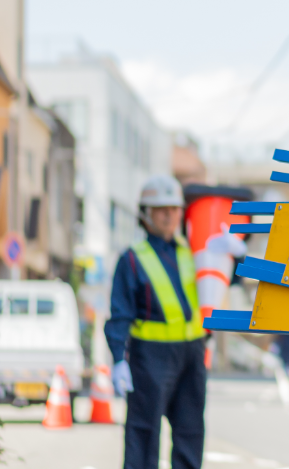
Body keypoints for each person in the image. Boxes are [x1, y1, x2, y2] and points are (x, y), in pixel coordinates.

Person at [106, 175, 207, 469]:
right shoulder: (132, 259)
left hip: (192, 354)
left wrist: (233, 255)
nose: (169, 215)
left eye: (174, 208)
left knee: (191, 431)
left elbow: (220, 282)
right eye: (160, 208)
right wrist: (117, 359)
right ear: (145, 214)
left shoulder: (193, 253)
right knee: (143, 433)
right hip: (149, 357)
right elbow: (120, 313)